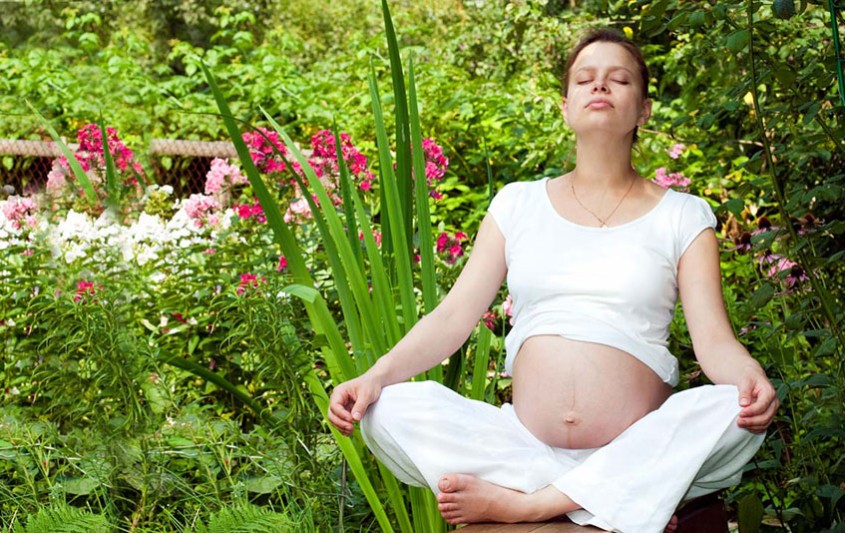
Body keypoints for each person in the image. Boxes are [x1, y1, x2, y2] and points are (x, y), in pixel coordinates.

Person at [327, 28, 778, 533]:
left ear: (643, 110)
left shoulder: (683, 216)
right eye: (585, 79)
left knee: (730, 410)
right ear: (566, 106)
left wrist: (748, 377)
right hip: (522, 447)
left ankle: (532, 504)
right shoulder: (517, 204)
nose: (600, 87)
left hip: (632, 444)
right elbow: (453, 318)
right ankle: (611, 496)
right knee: (388, 407)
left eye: (618, 79)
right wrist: (374, 377)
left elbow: (714, 343)